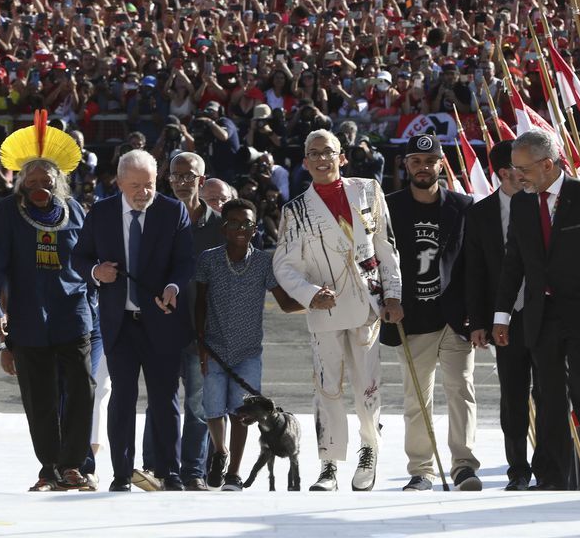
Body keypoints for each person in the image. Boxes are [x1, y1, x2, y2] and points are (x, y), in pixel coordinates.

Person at [492, 130, 580, 491]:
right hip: (542, 314)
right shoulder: (522, 203)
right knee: (549, 395)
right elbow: (514, 262)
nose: (517, 175)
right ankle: (552, 476)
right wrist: (501, 315)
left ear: (547, 164)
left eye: (523, 168)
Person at [273, 129, 403, 492]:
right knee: (327, 388)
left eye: (327, 152)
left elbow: (386, 247)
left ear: (341, 157)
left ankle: (368, 449)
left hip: (367, 305)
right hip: (324, 310)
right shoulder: (294, 210)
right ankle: (329, 462)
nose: (320, 159)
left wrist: (393, 295)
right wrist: (311, 294)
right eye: (313, 153)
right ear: (304, 162)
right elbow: (284, 266)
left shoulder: (368, 190)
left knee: (367, 385)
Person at [0, 111, 94, 491]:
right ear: (21, 185)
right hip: (28, 318)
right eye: (31, 182)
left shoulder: (75, 211)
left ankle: (74, 464)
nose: (39, 187)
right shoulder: (5, 214)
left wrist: (93, 300)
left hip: (73, 313)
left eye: (46, 181)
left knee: (82, 387)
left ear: (58, 182)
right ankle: (51, 467)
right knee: (39, 396)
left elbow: (89, 260)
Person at [72, 148, 195, 492]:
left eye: (150, 184)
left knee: (164, 399)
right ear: (120, 182)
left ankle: (171, 472)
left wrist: (173, 286)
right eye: (136, 185)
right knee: (122, 399)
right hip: (119, 324)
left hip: (162, 321)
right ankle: (122, 474)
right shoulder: (102, 212)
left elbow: (186, 260)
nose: (144, 192)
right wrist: (97, 272)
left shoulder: (173, 212)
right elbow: (79, 257)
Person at [382, 133, 480, 492]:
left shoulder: (463, 205)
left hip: (455, 319)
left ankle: (464, 466)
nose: (423, 168)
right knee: (416, 399)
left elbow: (474, 265)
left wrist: (477, 315)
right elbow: (378, 260)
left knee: (461, 391)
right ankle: (421, 470)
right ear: (406, 164)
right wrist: (385, 300)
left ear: (442, 164)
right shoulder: (389, 206)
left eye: (430, 162)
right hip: (412, 318)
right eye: (416, 162)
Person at [195, 198, 302, 491]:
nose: (241, 229)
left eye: (247, 224)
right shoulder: (209, 259)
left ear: (255, 229)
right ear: (223, 227)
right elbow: (200, 303)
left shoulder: (264, 262)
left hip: (248, 351)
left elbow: (285, 302)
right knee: (213, 407)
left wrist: (314, 300)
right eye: (234, 223)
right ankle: (219, 451)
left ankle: (234, 473)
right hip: (214, 346)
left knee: (241, 412)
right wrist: (201, 342)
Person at [140, 152, 222, 491]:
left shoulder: (220, 224)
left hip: (201, 328)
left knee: (197, 402)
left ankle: (193, 471)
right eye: (176, 175)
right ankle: (155, 466)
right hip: (160, 324)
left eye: (189, 175)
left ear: (202, 182)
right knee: (161, 397)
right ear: (167, 179)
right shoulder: (151, 218)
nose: (182, 181)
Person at [464, 140, 543, 490]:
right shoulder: (480, 213)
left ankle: (552, 466)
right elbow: (475, 271)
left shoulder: (544, 204)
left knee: (551, 393)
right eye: (519, 169)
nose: (525, 174)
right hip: (504, 320)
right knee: (513, 396)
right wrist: (479, 322)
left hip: (546, 315)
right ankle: (518, 470)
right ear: (503, 173)